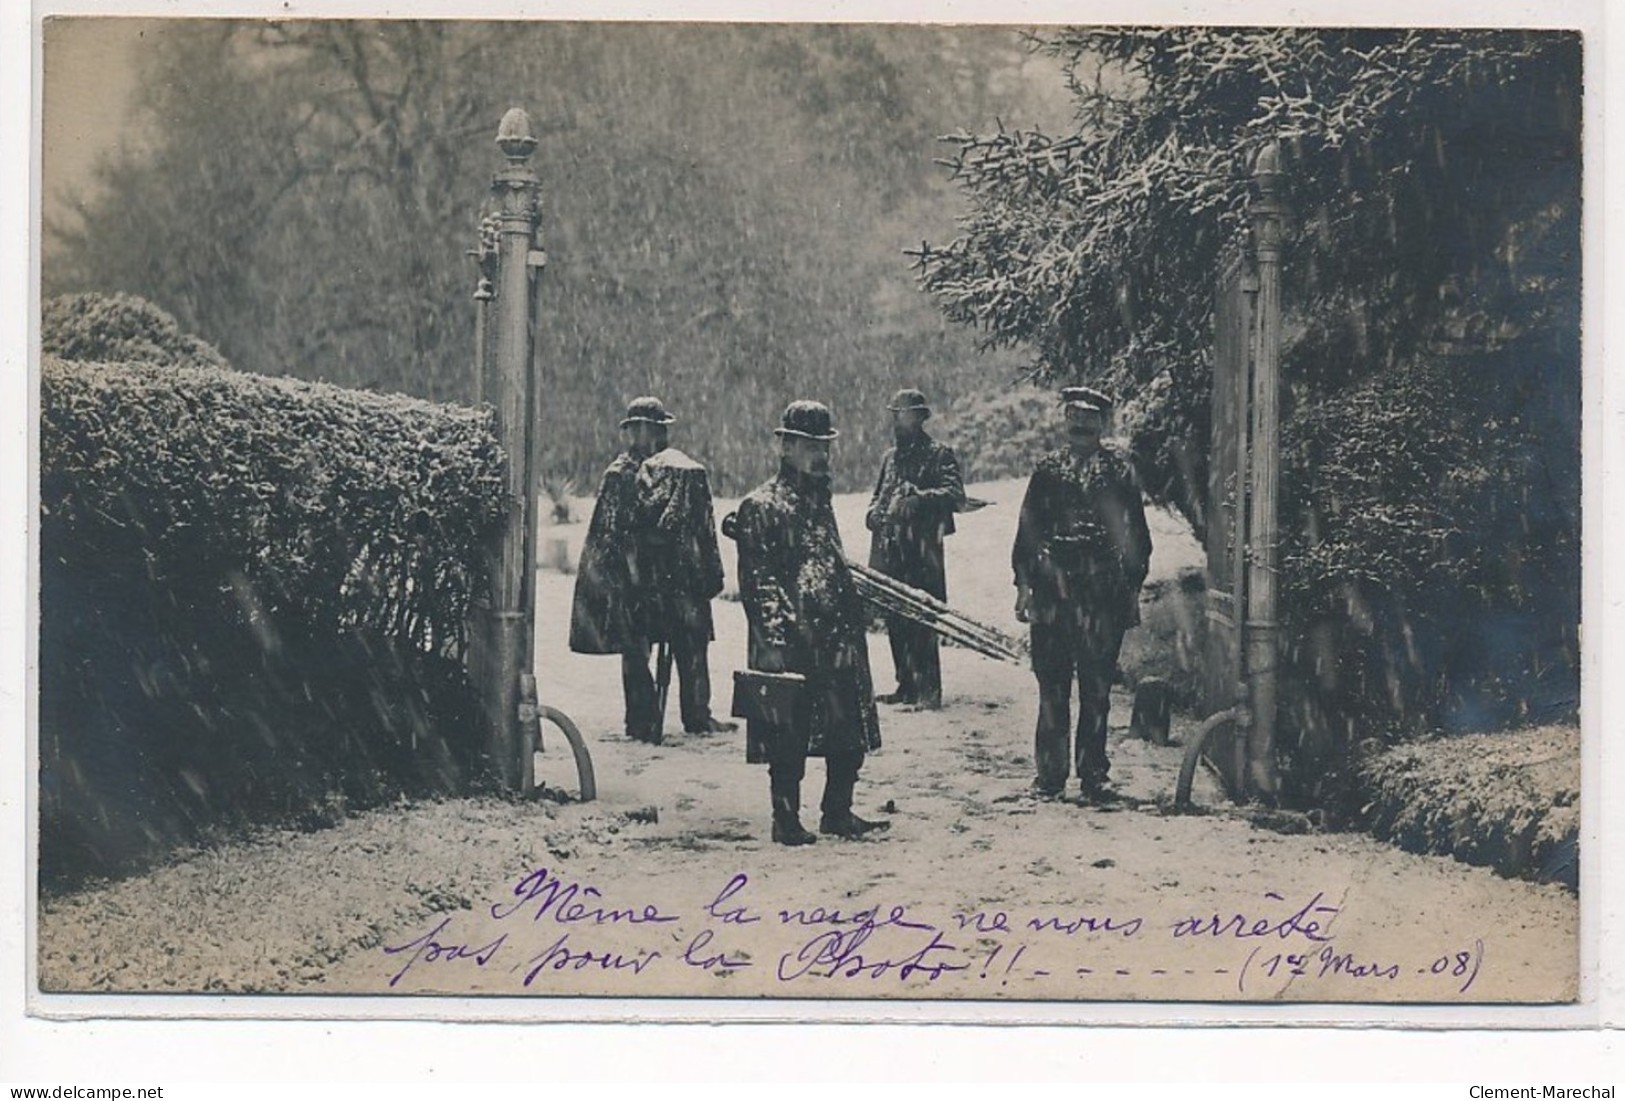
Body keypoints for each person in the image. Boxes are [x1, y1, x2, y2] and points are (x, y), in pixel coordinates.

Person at [730, 400, 888, 844]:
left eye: (825, 446)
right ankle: (786, 820)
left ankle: (838, 811)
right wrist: (774, 642)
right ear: (786, 447)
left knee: (848, 729)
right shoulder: (761, 505)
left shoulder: (820, 499)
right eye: (812, 446)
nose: (822, 455)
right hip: (792, 639)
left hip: (836, 633)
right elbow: (758, 582)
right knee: (787, 735)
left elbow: (828, 564)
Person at [1011, 385, 1152, 800]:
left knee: (1097, 690)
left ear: (1102, 426)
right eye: (1074, 420)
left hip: (1102, 596)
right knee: (1052, 688)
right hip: (1052, 596)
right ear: (1065, 424)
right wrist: (1023, 584)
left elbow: (1137, 539)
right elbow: (1027, 532)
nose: (1081, 429)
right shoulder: (1047, 471)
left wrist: (1130, 587)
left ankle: (1094, 774)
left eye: (1089, 422)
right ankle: (1050, 776)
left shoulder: (1120, 473)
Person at [569, 396, 734, 744]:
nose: (650, 436)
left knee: (685, 643)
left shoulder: (678, 473)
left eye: (654, 429)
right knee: (641, 649)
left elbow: (698, 525)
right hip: (646, 580)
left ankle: (690, 715)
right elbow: (612, 530)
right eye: (645, 429)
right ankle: (647, 719)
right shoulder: (628, 474)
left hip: (661, 580)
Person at [865, 388, 967, 710]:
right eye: (895, 413)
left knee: (923, 618)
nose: (896, 419)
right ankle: (905, 684)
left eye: (902, 413)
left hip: (923, 551)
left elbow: (955, 495)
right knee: (896, 617)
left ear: (920, 417)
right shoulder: (889, 457)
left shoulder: (939, 454)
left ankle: (928, 690)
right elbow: (877, 495)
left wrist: (918, 499)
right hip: (891, 549)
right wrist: (872, 514)